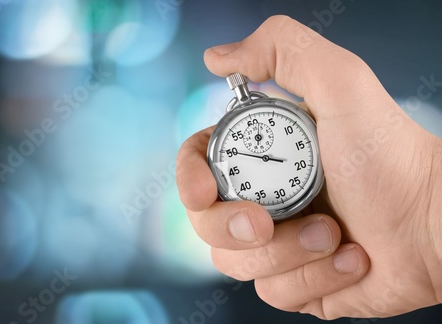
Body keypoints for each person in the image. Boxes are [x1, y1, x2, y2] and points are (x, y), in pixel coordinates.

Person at [176, 16, 442, 320]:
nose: (265, 158)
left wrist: (426, 204)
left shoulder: (310, 124)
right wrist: (427, 238)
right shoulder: (229, 145)